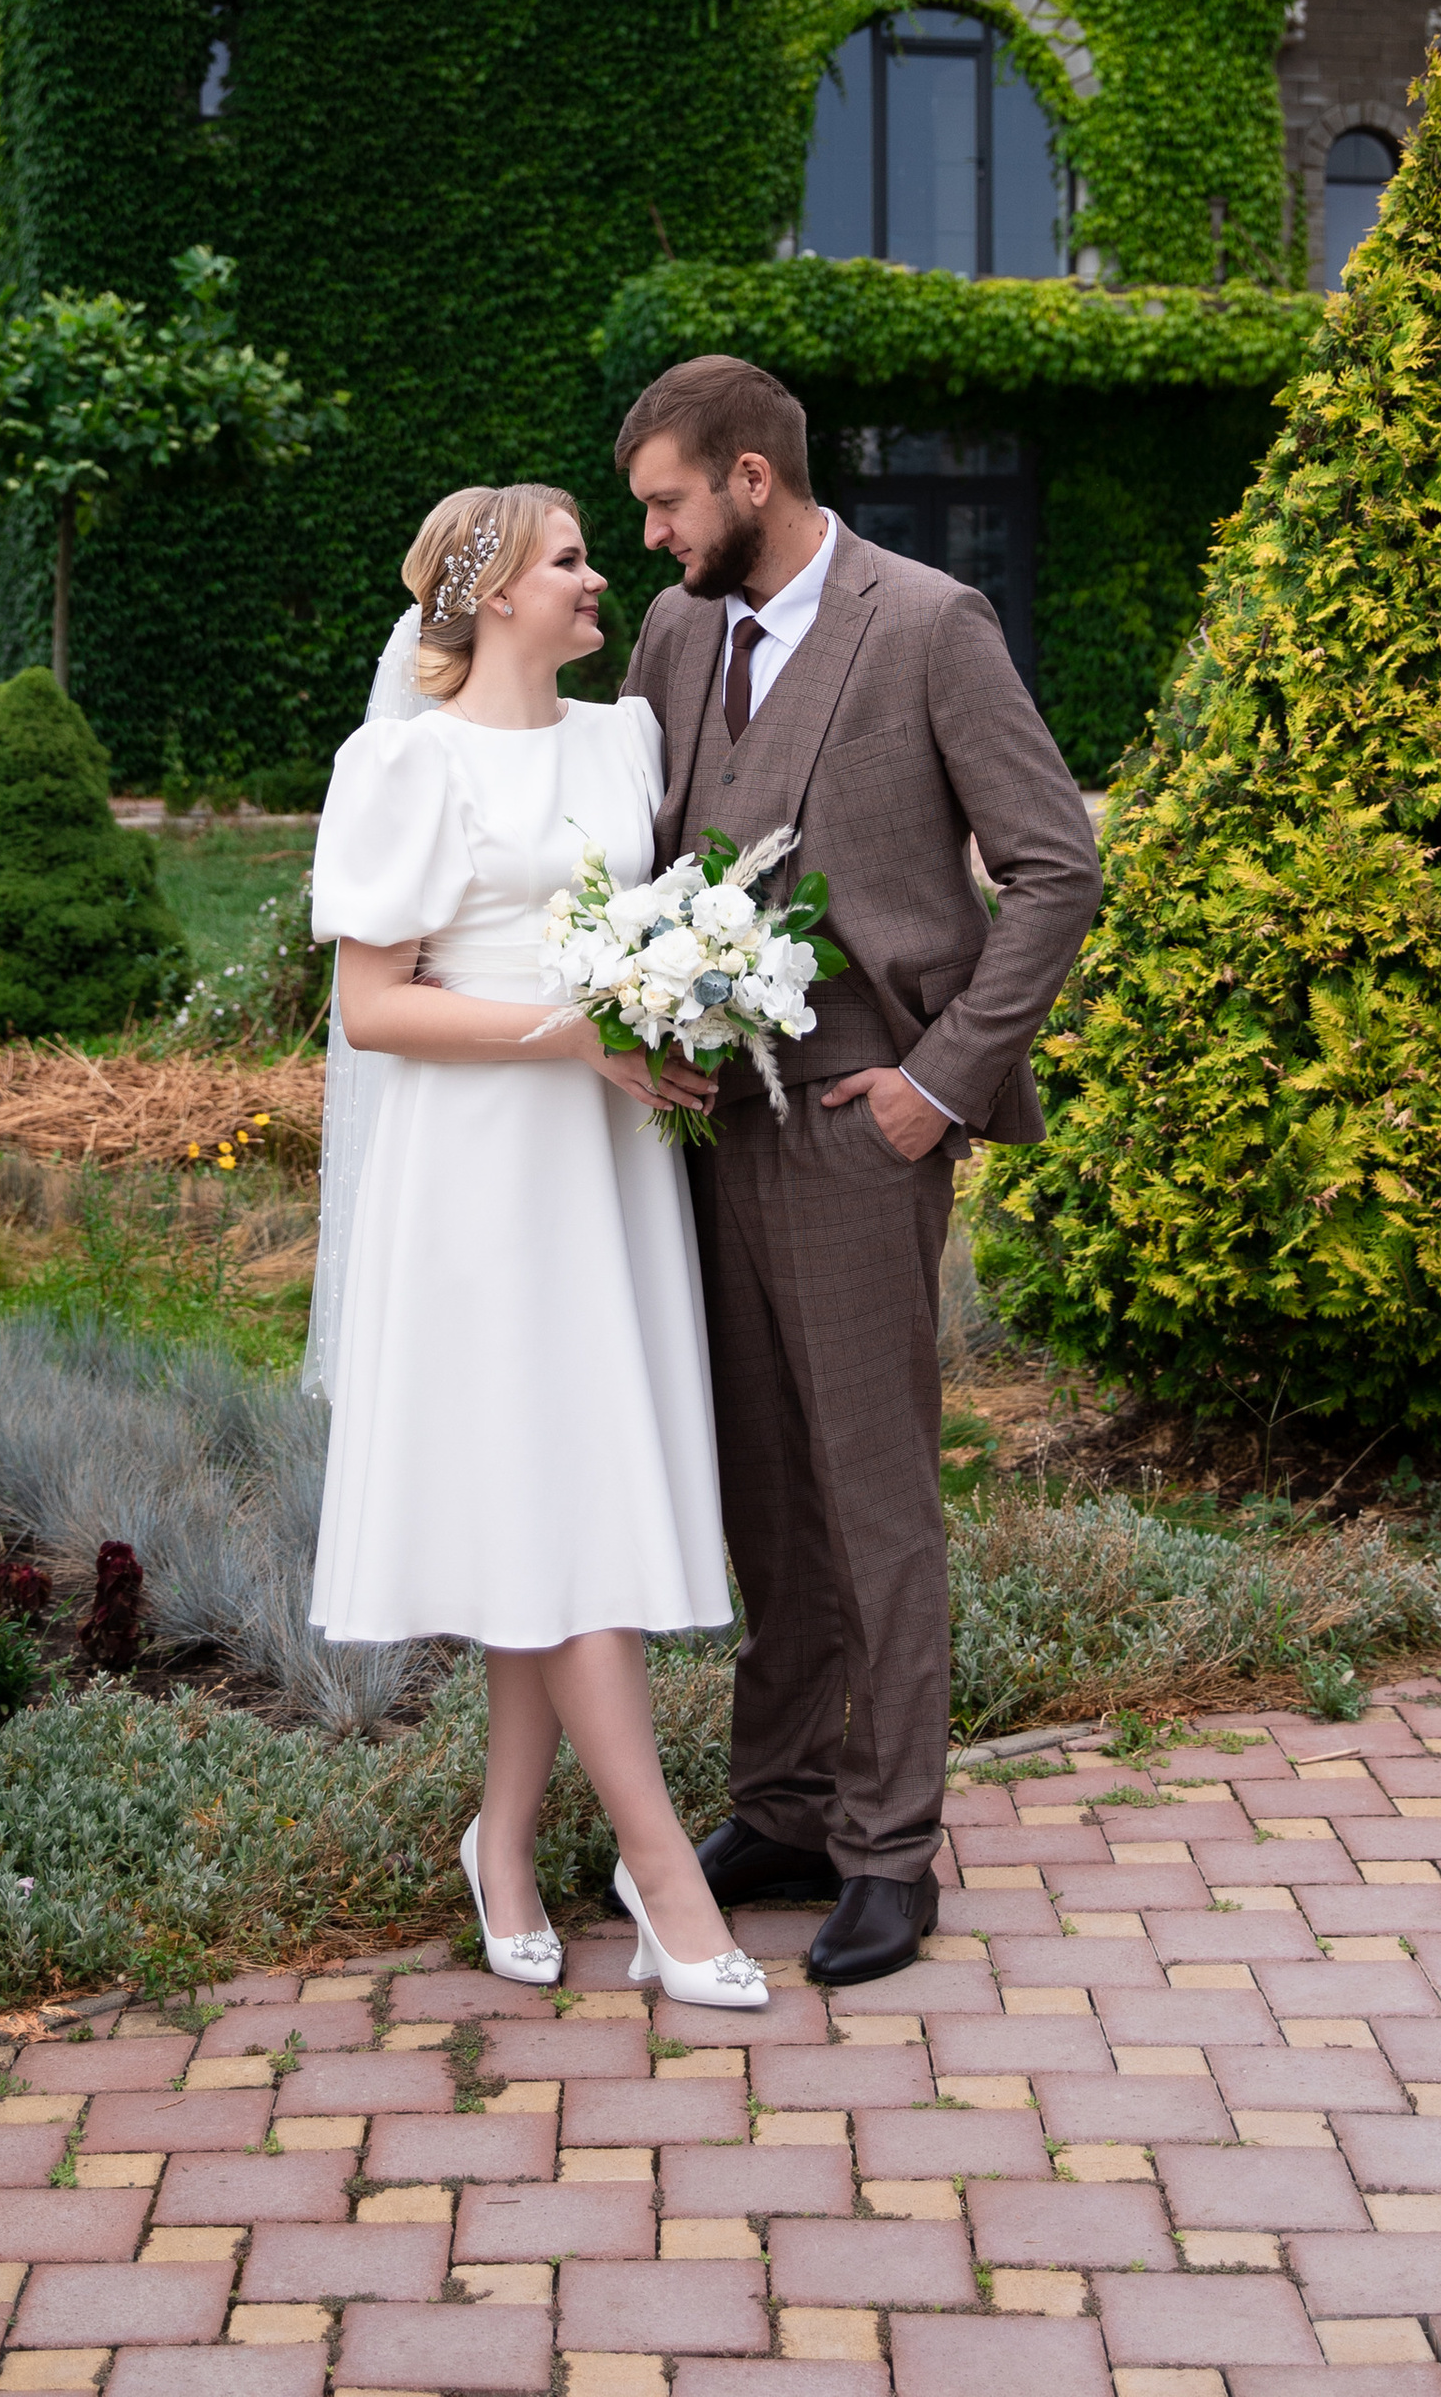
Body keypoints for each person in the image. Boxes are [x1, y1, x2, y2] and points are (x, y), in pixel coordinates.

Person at [620, 354, 1101, 1986]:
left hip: (859, 1129)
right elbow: (652, 861)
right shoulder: (680, 634)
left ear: (752, 478)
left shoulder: (929, 625)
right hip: (712, 1131)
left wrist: (941, 1083)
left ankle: (894, 1848)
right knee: (763, 1488)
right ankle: (787, 1804)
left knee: (874, 1498)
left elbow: (1055, 868)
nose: (652, 540)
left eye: (669, 504)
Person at [306, 481, 767, 2011]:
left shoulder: (618, 740)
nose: (597, 584)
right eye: (571, 561)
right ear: (495, 591)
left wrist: (688, 998)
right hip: (480, 1174)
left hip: (609, 1166)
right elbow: (378, 1008)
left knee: (550, 1503)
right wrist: (570, 1030)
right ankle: (662, 1869)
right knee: (553, 1504)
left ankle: (502, 1841)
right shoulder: (403, 765)